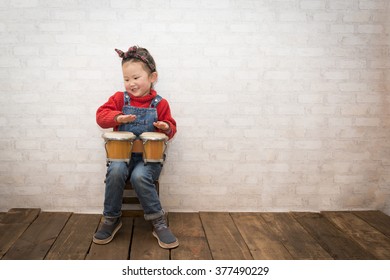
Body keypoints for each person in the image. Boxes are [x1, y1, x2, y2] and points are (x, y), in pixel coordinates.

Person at [93, 46, 179, 249]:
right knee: (115, 171)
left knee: (139, 176)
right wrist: (117, 117)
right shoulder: (119, 99)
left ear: (152, 77)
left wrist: (166, 126)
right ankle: (111, 218)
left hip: (149, 161)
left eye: (135, 77)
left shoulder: (160, 104)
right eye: (126, 79)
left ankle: (158, 221)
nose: (130, 84)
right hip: (121, 158)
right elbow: (100, 116)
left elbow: (172, 128)